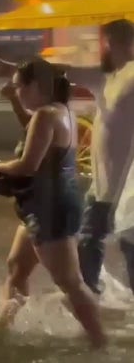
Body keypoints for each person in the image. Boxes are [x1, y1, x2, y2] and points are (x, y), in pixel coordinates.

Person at [0, 59, 105, 348]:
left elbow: (28, 164)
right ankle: (3, 323)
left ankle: (101, 343)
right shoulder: (59, 111)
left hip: (50, 209)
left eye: (18, 86)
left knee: (70, 282)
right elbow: (34, 135)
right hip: (47, 206)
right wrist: (15, 103)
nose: (15, 90)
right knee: (17, 266)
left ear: (35, 86)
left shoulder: (46, 115)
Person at [59, 19, 134, 296]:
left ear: (110, 42)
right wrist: (20, 71)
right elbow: (66, 71)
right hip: (101, 186)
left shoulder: (131, 76)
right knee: (88, 242)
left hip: (125, 188)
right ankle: (90, 299)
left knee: (128, 249)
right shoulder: (105, 77)